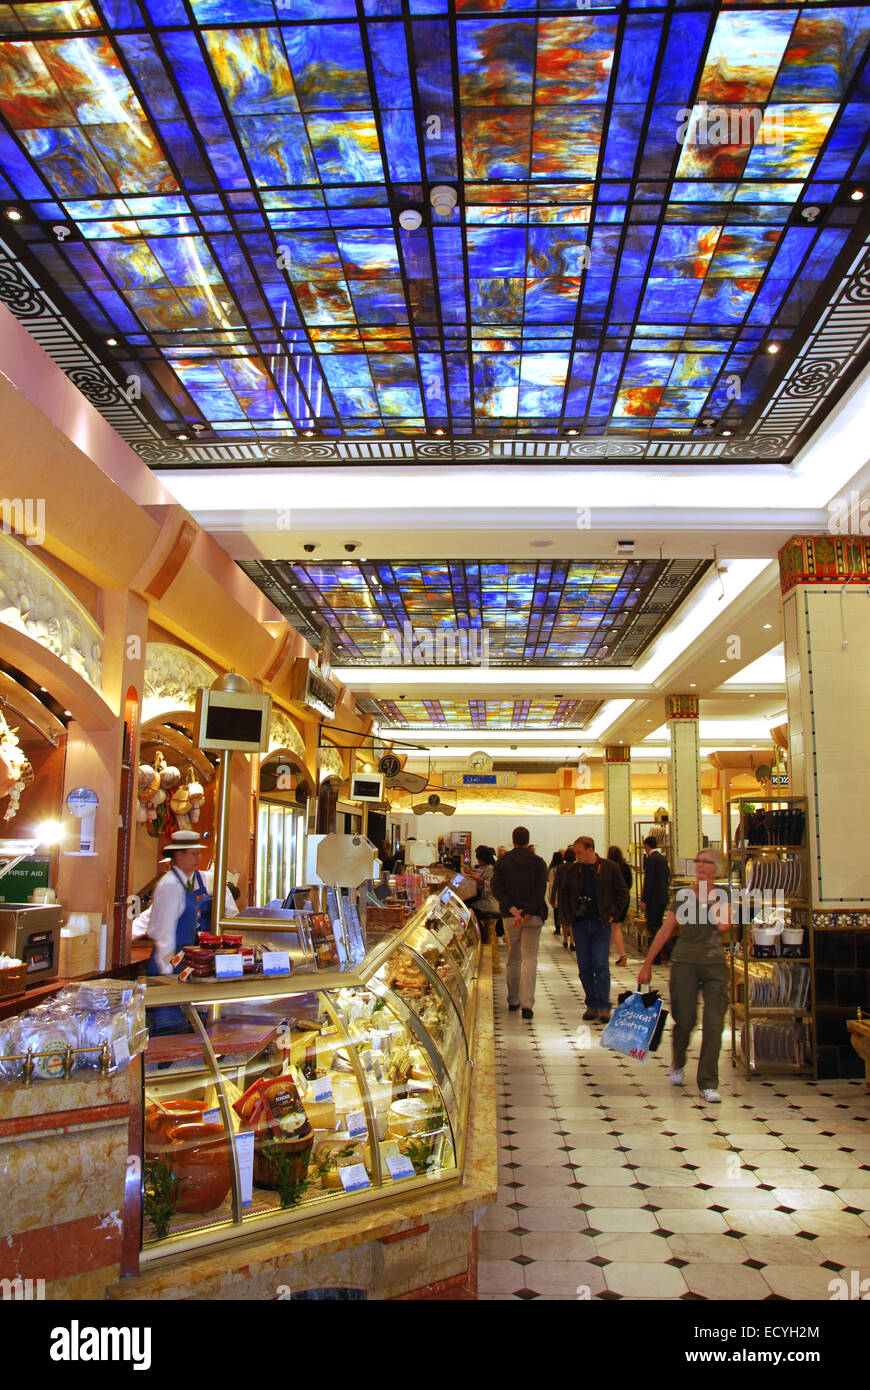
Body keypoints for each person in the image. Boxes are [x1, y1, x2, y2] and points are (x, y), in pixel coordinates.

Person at [637, 849, 732, 1104]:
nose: (701, 865)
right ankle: (678, 1060)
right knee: (685, 1020)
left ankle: (708, 1082)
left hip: (714, 965)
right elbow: (666, 930)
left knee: (714, 1024)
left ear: (717, 868)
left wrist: (708, 899)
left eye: (707, 862)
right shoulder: (683, 896)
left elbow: (724, 925)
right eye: (698, 861)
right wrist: (647, 964)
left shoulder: (723, 894)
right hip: (684, 964)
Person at [146, 830, 238, 1032]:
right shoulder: (170, 885)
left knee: (179, 1023)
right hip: (167, 966)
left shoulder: (184, 882)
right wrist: (167, 975)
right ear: (179, 855)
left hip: (179, 962)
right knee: (168, 1030)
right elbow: (162, 932)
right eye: (194, 853)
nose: (199, 858)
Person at [559, 836, 629, 1024]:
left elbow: (622, 892)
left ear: (591, 850)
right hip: (580, 924)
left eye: (580, 852)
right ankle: (592, 1003)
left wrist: (614, 914)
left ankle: (604, 1005)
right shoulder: (574, 870)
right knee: (585, 966)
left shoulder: (609, 868)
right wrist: (569, 917)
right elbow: (564, 894)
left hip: (601, 923)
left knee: (600, 963)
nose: (577, 856)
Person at [492, 827, 548, 1020]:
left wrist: (513, 910)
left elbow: (496, 889)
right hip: (532, 917)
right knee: (529, 958)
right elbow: (540, 892)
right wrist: (526, 913)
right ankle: (527, 1004)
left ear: (513, 840)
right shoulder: (539, 863)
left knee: (513, 957)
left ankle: (513, 999)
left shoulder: (503, 862)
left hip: (510, 917)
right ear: (528, 840)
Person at [641, 834, 670, 957]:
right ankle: (659, 954)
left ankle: (660, 953)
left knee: (652, 927)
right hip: (663, 898)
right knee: (658, 924)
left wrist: (644, 900)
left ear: (646, 846)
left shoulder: (651, 859)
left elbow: (649, 881)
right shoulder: (663, 859)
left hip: (653, 899)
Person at [606, 845, 632, 966]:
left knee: (615, 927)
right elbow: (629, 884)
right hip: (624, 899)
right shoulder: (625, 867)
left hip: (613, 901)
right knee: (614, 927)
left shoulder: (610, 867)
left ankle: (622, 955)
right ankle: (606, 951)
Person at [467, 845, 500, 939]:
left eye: (479, 859)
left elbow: (492, 885)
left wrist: (481, 881)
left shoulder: (491, 868)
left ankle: (479, 934)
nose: (478, 862)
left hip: (491, 902)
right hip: (489, 899)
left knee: (470, 909)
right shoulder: (488, 867)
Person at [552, 847, 576, 950]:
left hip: (562, 896)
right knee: (572, 920)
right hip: (574, 896)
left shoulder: (560, 868)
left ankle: (565, 939)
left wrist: (553, 898)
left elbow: (555, 884)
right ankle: (572, 942)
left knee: (564, 919)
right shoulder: (576, 867)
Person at [547, 851, 564, 934]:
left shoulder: (552, 869)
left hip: (555, 892)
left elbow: (551, 883)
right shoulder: (563, 868)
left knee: (556, 911)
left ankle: (557, 928)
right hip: (562, 893)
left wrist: (551, 896)